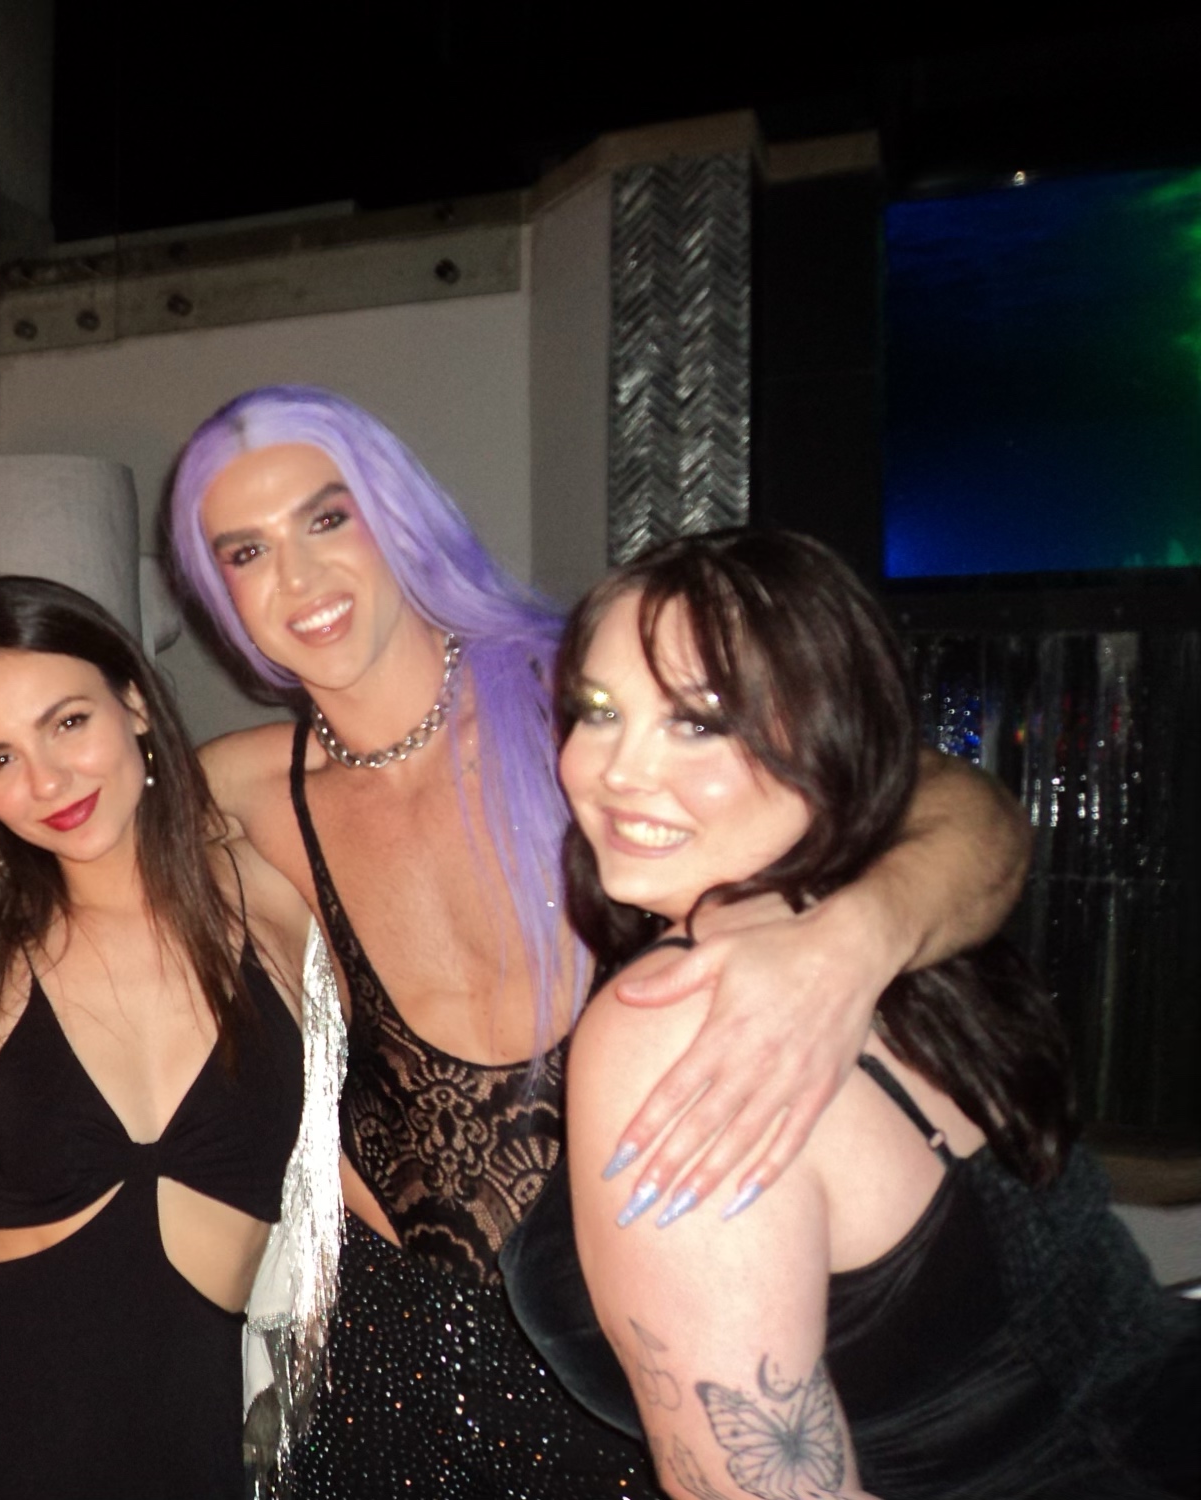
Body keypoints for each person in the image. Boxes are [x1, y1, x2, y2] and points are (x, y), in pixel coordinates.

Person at [167, 387, 1031, 1495]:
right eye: (244, 552)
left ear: (400, 515)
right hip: (404, 1362)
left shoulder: (590, 707)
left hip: (656, 1336)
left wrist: (854, 936)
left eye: (328, 518)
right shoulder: (237, 792)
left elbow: (954, 809)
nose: (295, 578)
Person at [505, 529, 1200, 1500]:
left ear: (829, 742)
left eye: (698, 722)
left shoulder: (675, 1023)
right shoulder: (910, 932)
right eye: (600, 710)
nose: (616, 770)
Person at [0, 576, 332, 1500]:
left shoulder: (269, 883)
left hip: (185, 1439)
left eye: (68, 722)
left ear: (135, 702)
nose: (47, 782)